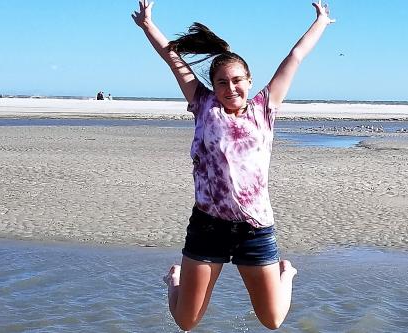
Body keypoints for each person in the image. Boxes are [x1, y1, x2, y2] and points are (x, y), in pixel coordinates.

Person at [132, 0, 331, 330]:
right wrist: (147, 24)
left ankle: (287, 272)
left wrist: (321, 20)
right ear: (213, 86)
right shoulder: (203, 103)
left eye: (237, 80)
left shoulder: (264, 108)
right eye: (222, 83)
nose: (230, 88)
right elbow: (173, 59)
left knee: (273, 320)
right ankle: (174, 279)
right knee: (185, 322)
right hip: (208, 226)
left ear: (249, 81)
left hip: (253, 228)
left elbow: (294, 57)